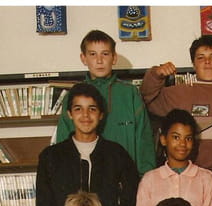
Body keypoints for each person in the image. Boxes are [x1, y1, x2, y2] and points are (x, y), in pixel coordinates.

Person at [37, 82, 142, 206]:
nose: (85, 115)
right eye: (78, 109)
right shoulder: (51, 157)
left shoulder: (116, 154)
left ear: (101, 114)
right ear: (69, 114)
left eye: (92, 109)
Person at [140, 36, 212, 179]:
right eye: (201, 57)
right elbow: (145, 99)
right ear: (193, 64)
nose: (207, 62)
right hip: (189, 174)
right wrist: (156, 74)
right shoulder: (178, 93)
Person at [56, 29, 155, 175]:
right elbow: (62, 142)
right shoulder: (73, 96)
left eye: (105, 54)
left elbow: (144, 139)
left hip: (124, 177)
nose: (99, 60)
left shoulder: (130, 93)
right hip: (84, 178)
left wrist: (146, 178)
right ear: (83, 58)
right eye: (92, 54)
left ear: (114, 58)